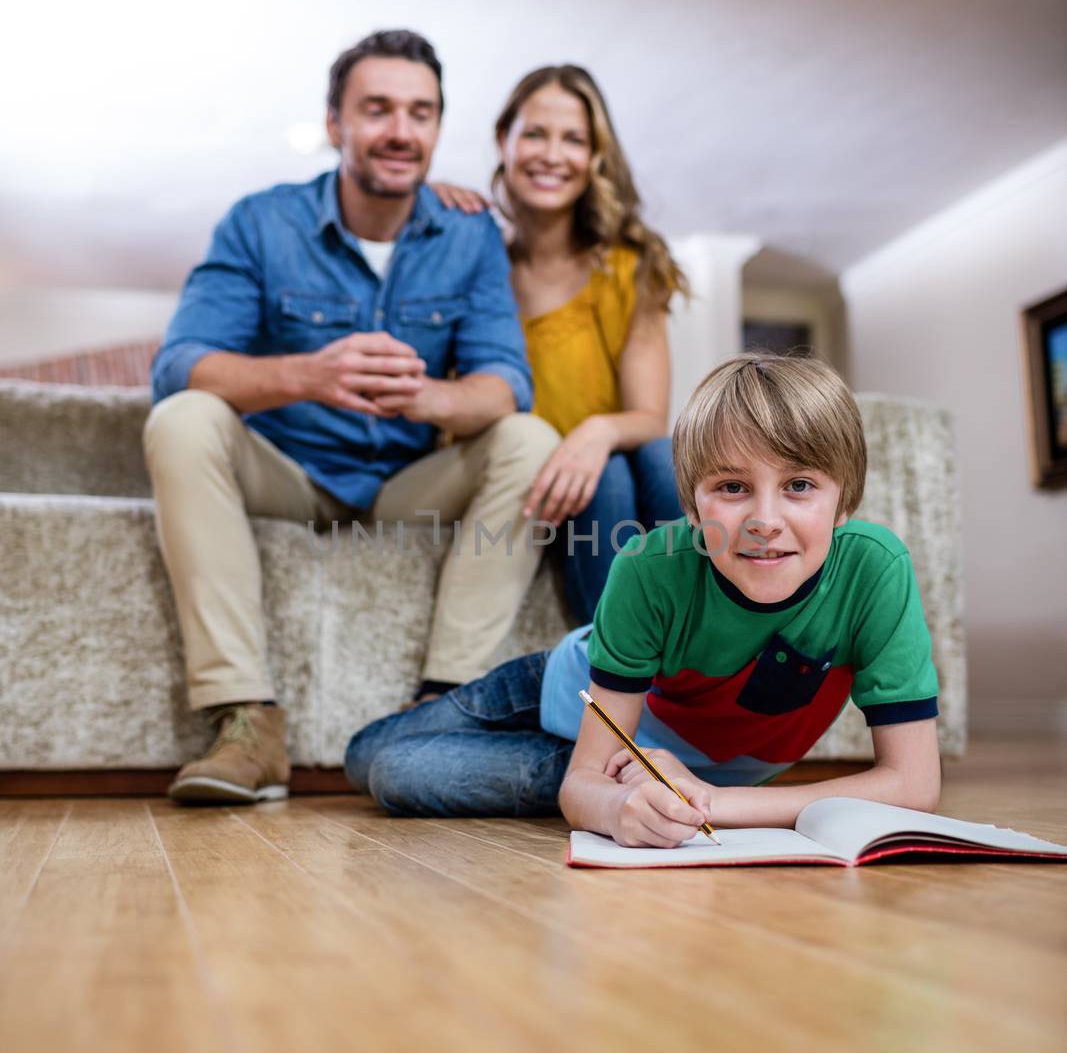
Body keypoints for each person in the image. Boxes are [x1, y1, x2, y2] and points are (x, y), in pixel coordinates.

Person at [146, 29, 559, 805]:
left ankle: (443, 706)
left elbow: (506, 382)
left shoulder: (468, 234)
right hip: (288, 472)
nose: (401, 131)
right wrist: (308, 374)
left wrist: (435, 398)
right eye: (377, 109)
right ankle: (246, 723)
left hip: (406, 478)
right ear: (335, 123)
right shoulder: (260, 223)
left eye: (421, 112)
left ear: (437, 128)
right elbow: (179, 363)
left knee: (530, 438)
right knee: (182, 419)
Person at [344, 354, 942, 844]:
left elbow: (914, 784)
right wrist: (615, 802)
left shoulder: (874, 568)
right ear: (691, 505)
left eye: (799, 486)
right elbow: (584, 785)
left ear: (845, 501)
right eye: (732, 487)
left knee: (398, 773)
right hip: (567, 689)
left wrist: (706, 801)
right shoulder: (649, 568)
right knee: (366, 757)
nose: (765, 520)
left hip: (674, 768)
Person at [435, 64, 688, 623]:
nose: (552, 154)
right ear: (504, 141)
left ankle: (714, 643)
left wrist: (595, 432)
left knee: (656, 458)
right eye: (535, 134)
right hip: (516, 484)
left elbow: (649, 415)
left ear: (595, 157)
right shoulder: (469, 261)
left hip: (603, 479)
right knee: (609, 478)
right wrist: (421, 205)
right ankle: (614, 678)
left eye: (574, 139)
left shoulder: (629, 266)